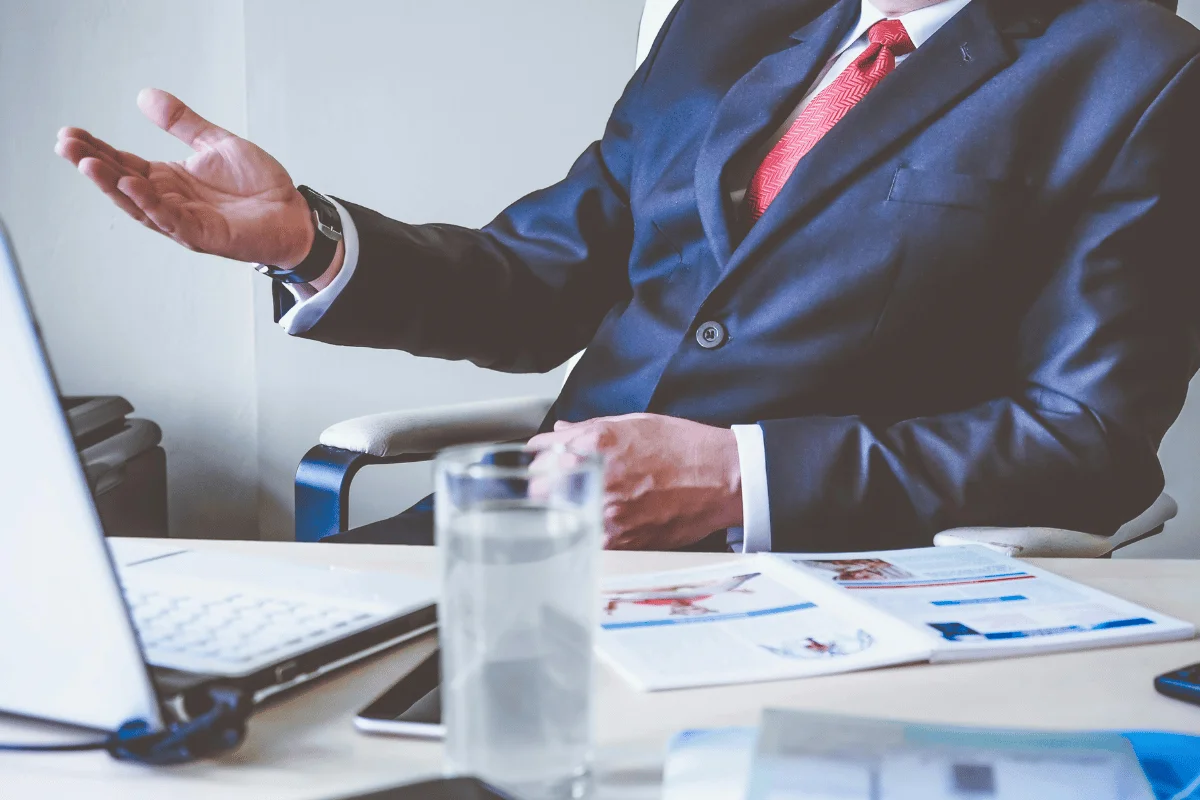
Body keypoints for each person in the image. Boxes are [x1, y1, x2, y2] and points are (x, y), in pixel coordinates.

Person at [56, 0, 1200, 553]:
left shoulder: (1141, 69)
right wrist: (308, 239)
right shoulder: (728, 21)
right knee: (211, 680)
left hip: (822, 570)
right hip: (535, 531)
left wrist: (739, 477)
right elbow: (535, 278)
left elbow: (1088, 436)